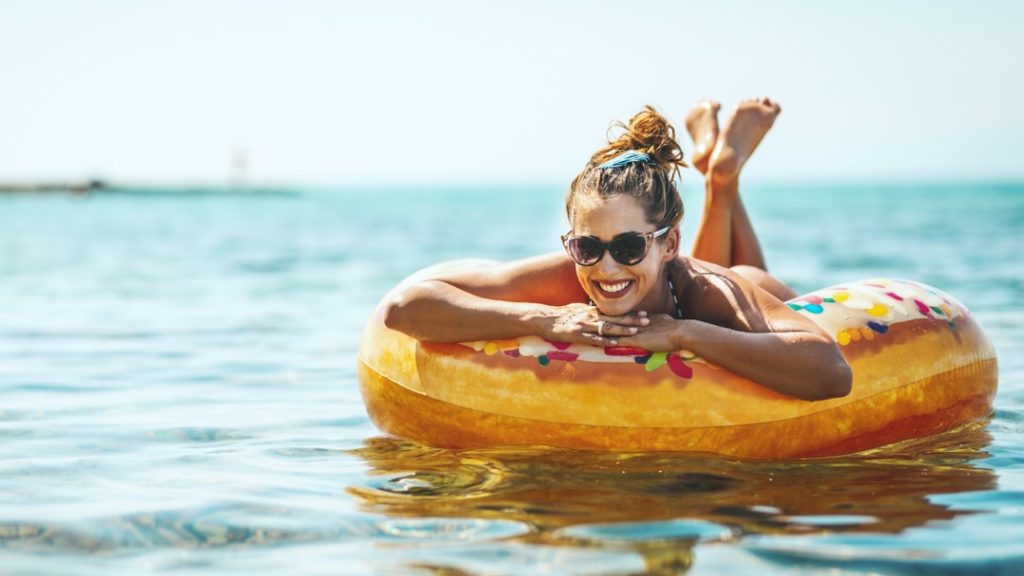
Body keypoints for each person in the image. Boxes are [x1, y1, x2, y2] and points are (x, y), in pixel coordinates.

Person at [383, 98, 852, 401]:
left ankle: (721, 179)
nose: (605, 266)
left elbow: (831, 372)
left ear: (668, 242)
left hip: (740, 287)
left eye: (628, 246)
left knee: (744, 272)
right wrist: (544, 319)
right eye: (588, 246)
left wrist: (683, 334)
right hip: (681, 281)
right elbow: (405, 308)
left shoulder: (711, 289)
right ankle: (719, 173)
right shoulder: (568, 277)